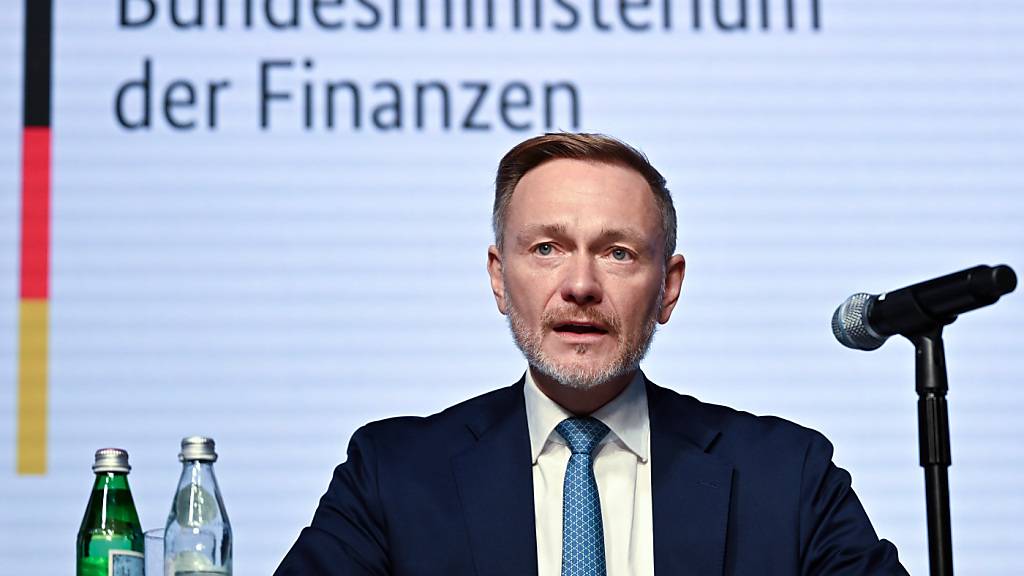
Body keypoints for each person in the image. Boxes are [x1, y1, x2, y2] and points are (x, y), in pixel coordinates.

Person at [275, 133, 908, 575]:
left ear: (669, 287)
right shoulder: (393, 475)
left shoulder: (788, 477)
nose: (580, 285)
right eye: (547, 248)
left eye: (618, 253)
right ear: (499, 278)